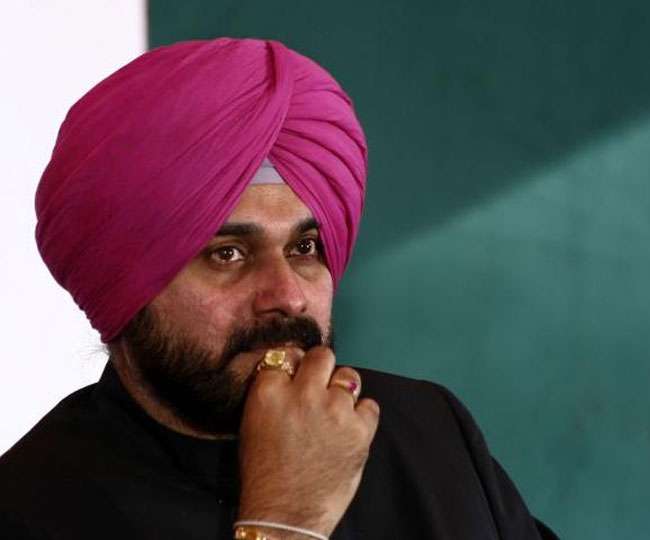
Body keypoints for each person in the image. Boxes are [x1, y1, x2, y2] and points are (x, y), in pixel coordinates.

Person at [0, 38, 558, 539]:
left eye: (304, 248)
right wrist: (285, 523)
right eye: (228, 254)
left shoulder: (429, 434)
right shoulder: (28, 509)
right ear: (124, 287)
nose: (287, 296)